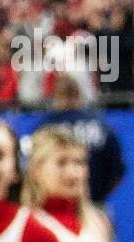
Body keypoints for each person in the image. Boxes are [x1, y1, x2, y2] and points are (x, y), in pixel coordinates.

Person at [45, 73, 126, 204]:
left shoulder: (46, 127)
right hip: (95, 204)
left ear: (56, 96)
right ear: (79, 94)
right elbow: (118, 171)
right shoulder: (100, 126)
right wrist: (98, 197)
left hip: (57, 207)